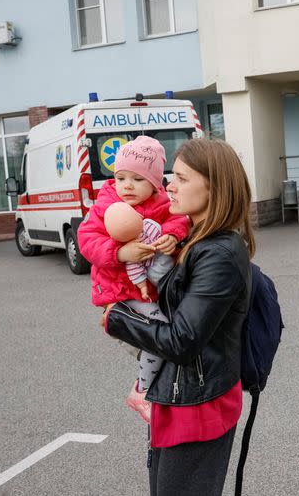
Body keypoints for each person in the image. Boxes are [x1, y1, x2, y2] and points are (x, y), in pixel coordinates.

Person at [102, 139, 254, 496]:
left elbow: (183, 340)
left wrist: (118, 319)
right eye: (172, 175)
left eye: (182, 178)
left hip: (199, 405)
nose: (169, 184)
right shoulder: (195, 239)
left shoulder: (219, 253)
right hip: (180, 394)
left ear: (214, 186)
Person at [77, 136, 189, 401]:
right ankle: (141, 391)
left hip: (151, 288)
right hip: (122, 291)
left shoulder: (162, 204)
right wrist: (118, 253)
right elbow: (87, 240)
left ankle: (152, 385)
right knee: (162, 333)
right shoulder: (105, 206)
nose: (127, 185)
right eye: (121, 177)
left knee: (161, 335)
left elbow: (180, 220)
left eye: (138, 179)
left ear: (154, 183)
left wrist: (172, 235)